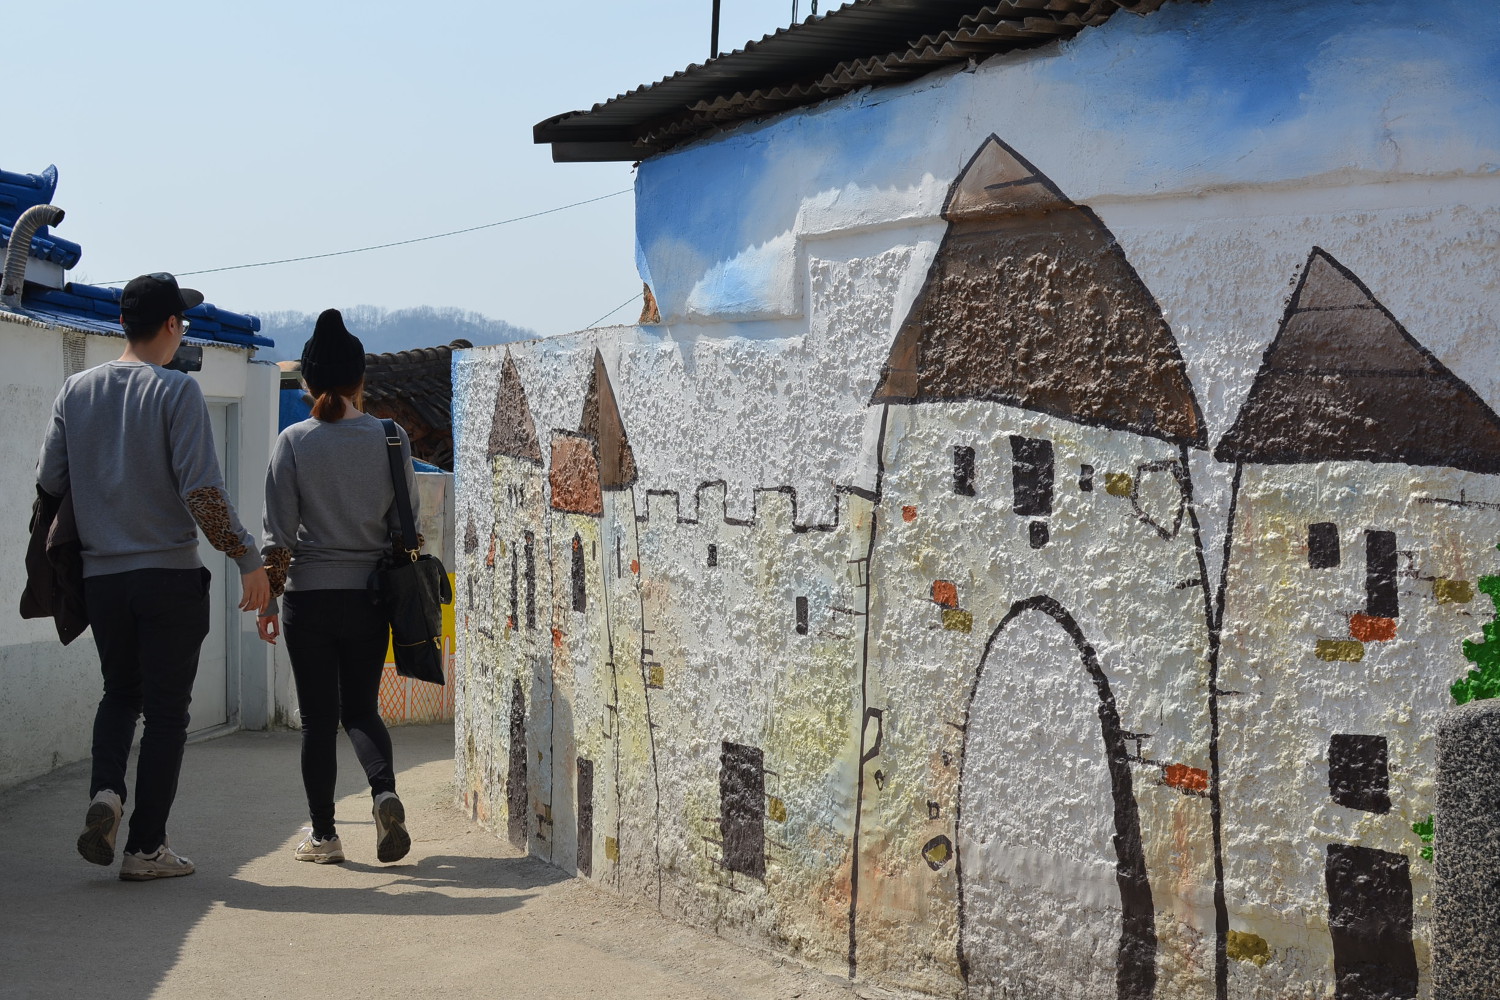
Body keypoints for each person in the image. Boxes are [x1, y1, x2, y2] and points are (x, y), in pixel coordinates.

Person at [37, 272, 270, 881]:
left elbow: (49, 487)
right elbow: (202, 491)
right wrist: (247, 557)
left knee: (120, 693)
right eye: (182, 323)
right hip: (167, 577)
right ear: (170, 327)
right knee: (167, 714)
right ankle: (145, 848)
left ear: (121, 324)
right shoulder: (175, 392)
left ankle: (107, 793)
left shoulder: (74, 392)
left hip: (103, 581)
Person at [256, 308, 413, 865]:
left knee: (319, 721)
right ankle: (385, 793)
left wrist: (269, 601)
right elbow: (404, 526)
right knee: (362, 711)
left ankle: (325, 837)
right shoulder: (391, 440)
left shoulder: (293, 442)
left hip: (309, 598)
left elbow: (278, 536)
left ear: (307, 383)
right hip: (369, 598)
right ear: (360, 381)